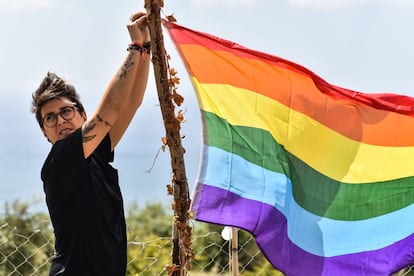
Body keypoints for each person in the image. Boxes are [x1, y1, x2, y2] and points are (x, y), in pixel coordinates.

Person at [30, 9, 151, 276]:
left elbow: (131, 103)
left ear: (81, 116)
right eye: (49, 118)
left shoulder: (94, 154)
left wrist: (147, 47)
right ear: (44, 133)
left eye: (66, 111)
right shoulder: (61, 160)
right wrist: (134, 46)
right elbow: (108, 112)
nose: (60, 121)